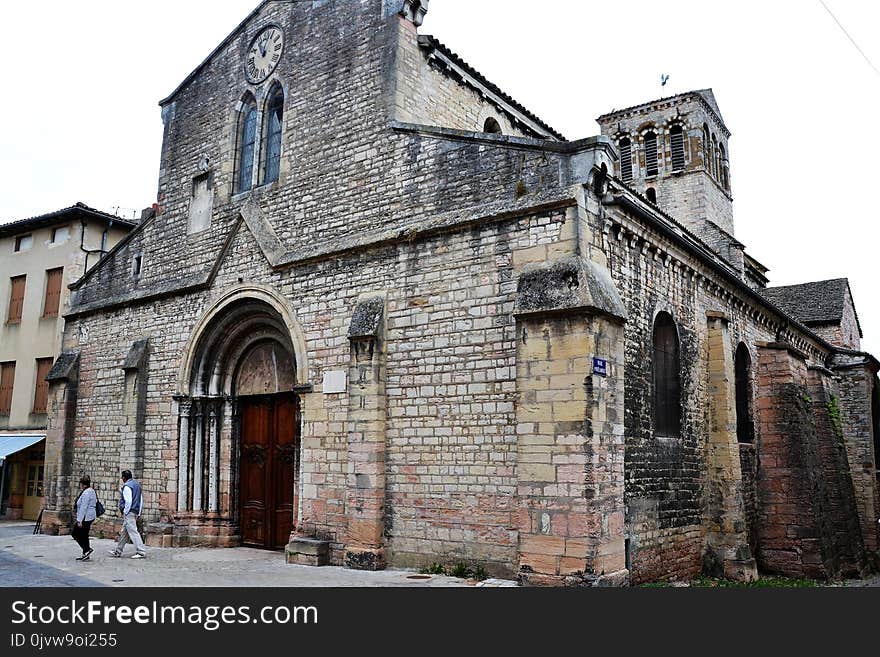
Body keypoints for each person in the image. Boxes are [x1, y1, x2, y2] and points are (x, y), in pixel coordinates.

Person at [108, 469, 146, 559]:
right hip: (134, 511)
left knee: (133, 531)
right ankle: (118, 551)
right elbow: (141, 500)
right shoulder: (137, 485)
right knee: (124, 532)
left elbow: (128, 501)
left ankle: (141, 551)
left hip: (129, 512)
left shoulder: (127, 486)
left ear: (124, 478)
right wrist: (139, 512)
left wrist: (125, 512)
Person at [72, 475, 96, 561]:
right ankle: (85, 553)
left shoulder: (86, 493)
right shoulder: (91, 491)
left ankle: (87, 549)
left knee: (75, 533)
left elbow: (83, 507)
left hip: (85, 517)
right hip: (90, 516)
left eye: (81, 484)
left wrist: (79, 520)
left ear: (83, 484)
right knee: (84, 535)